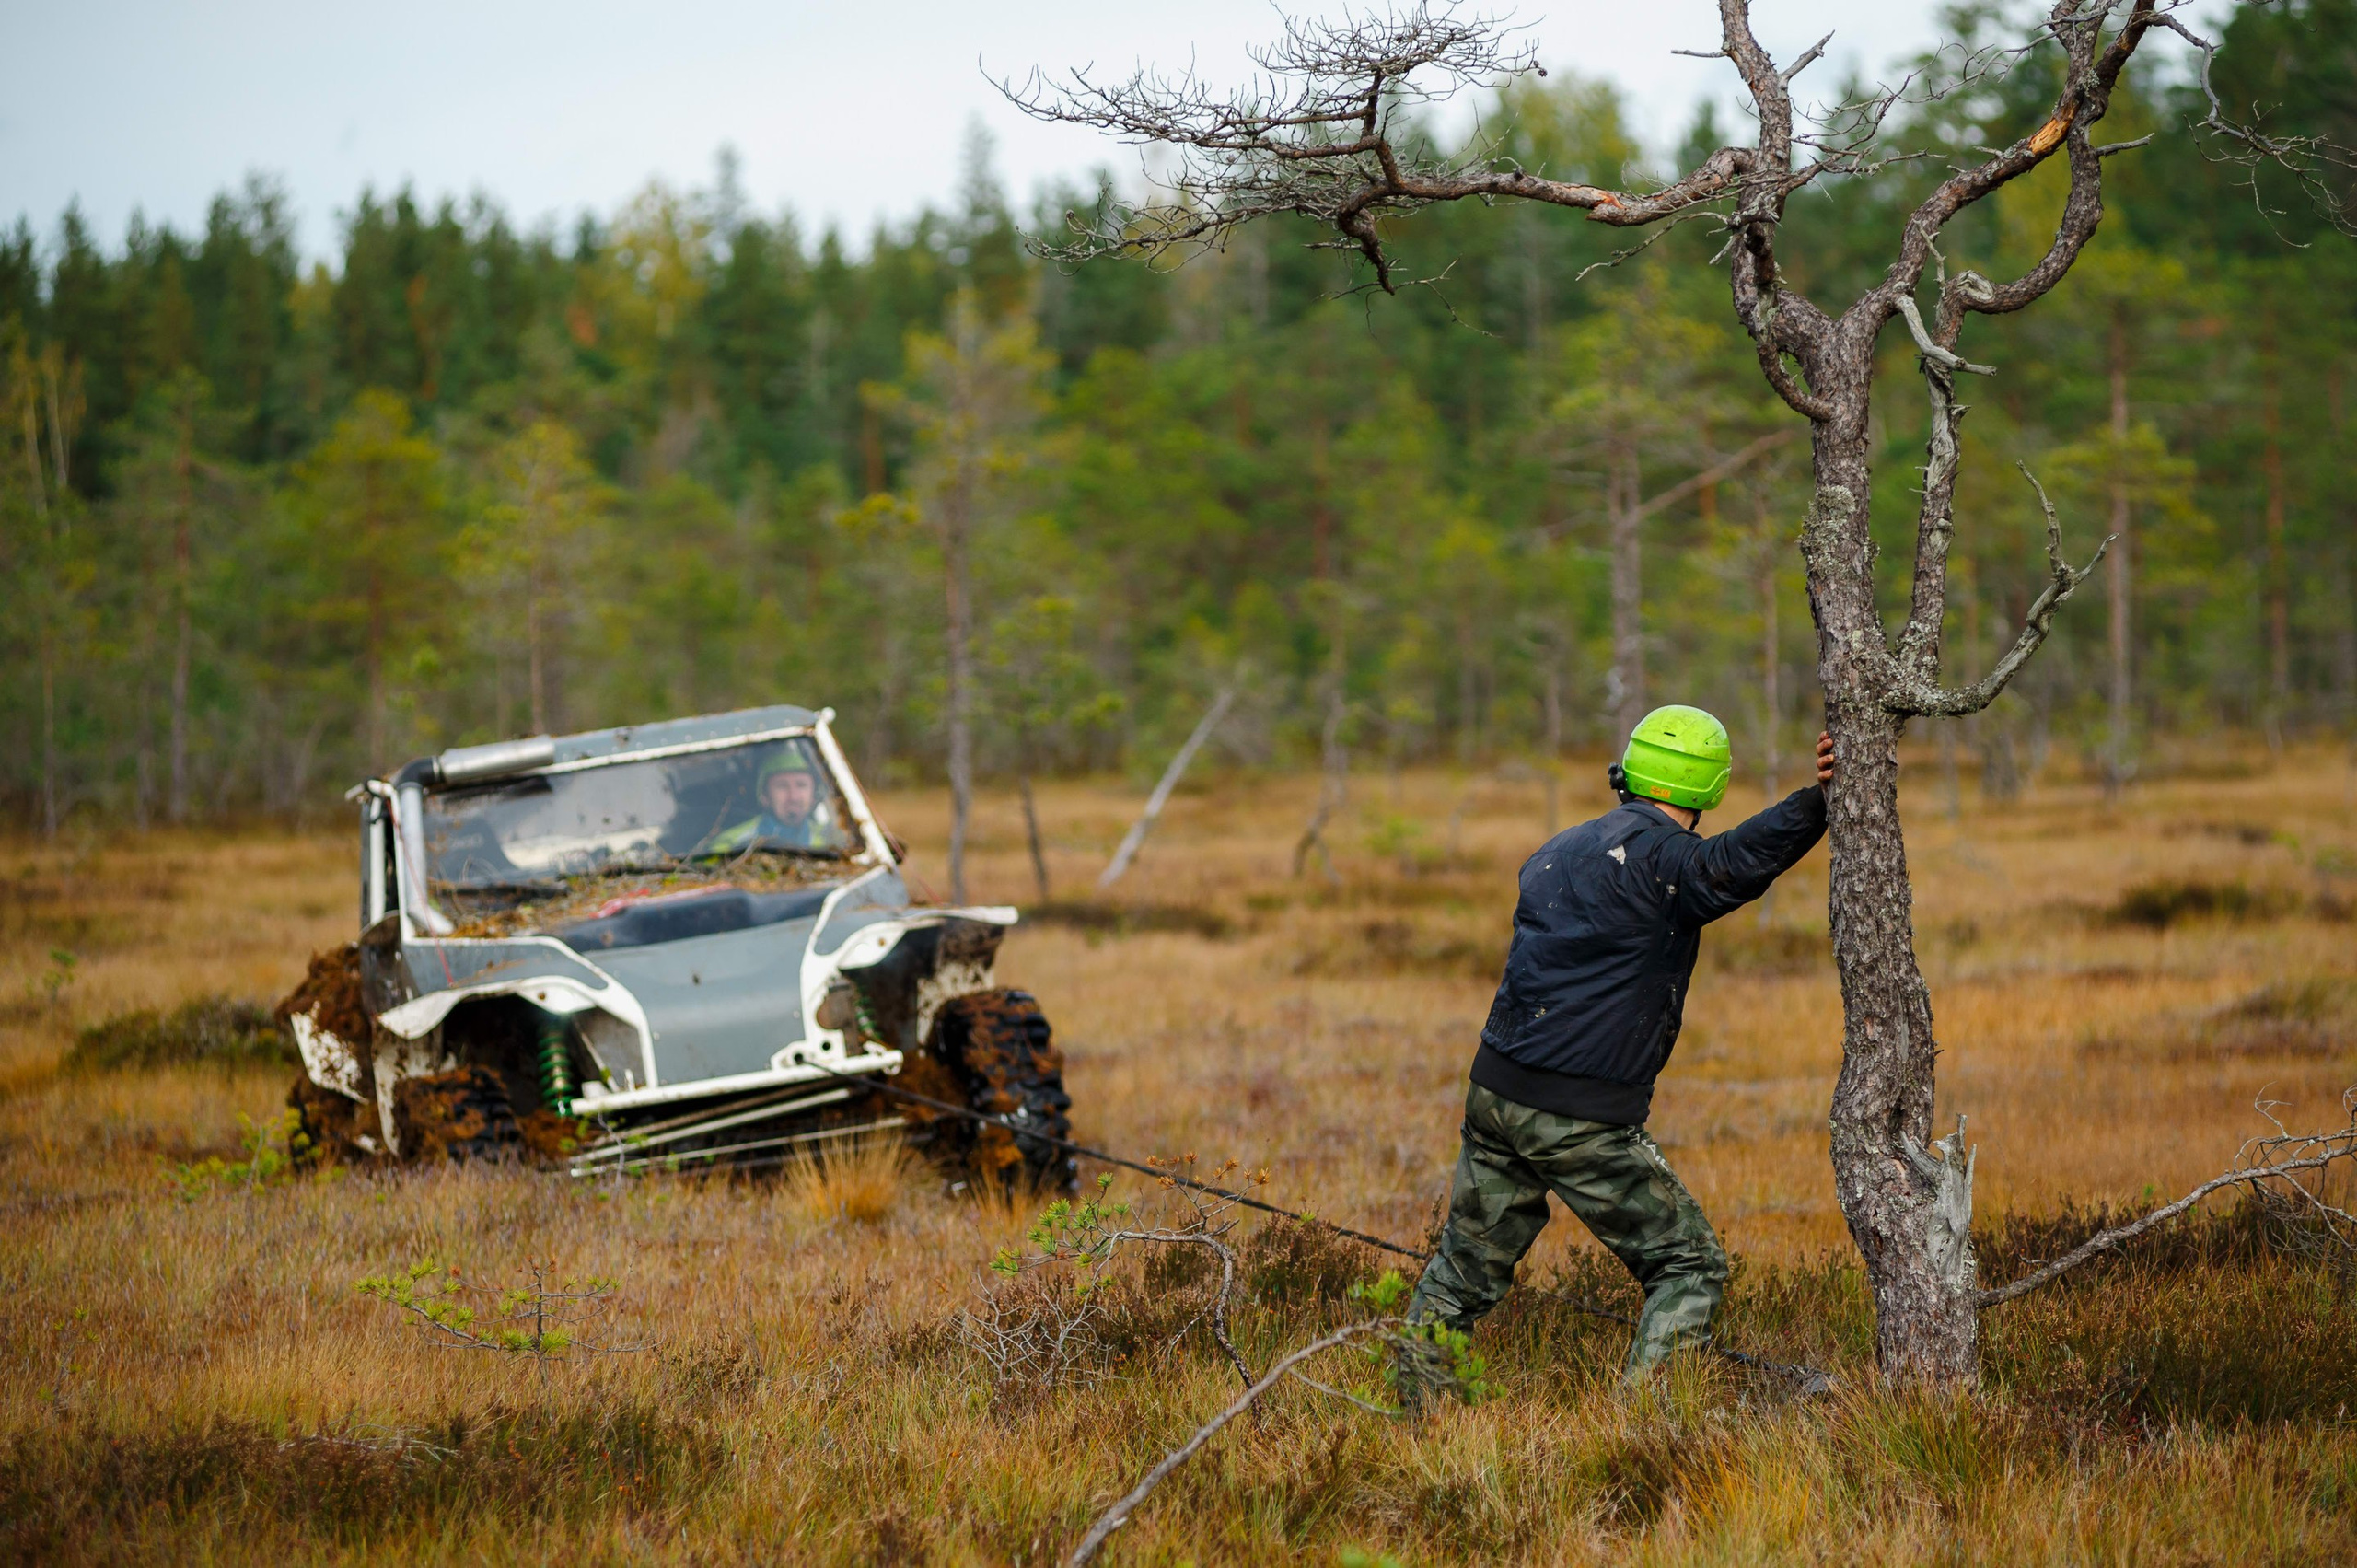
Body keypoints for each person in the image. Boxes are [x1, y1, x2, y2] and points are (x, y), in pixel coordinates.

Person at [1403, 704, 1836, 1386]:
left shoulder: (1558, 848)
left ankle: (1415, 1415)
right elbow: (1737, 861)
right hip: (1579, 1112)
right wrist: (1824, 800)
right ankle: (1645, 1434)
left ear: (1630, 769)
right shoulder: (1669, 863)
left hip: (1495, 1090)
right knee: (1688, 1265)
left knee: (1463, 1268)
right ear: (1711, 786)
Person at [701, 744, 839, 854]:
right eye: (782, 786)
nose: (794, 796)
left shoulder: (834, 841)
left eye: (801, 785)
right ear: (764, 797)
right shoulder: (729, 845)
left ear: (814, 795)